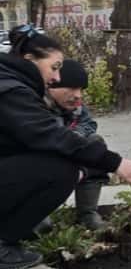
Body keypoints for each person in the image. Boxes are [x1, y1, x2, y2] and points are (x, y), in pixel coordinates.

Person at [0, 25, 131, 269]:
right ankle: (3, 242)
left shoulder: (10, 83)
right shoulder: (11, 91)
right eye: (54, 68)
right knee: (61, 171)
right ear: (29, 59)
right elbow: (52, 136)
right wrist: (116, 163)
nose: (56, 78)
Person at [47, 59, 108, 230]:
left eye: (81, 89)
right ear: (51, 87)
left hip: (65, 153)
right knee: (40, 228)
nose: (78, 95)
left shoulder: (75, 106)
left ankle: (88, 214)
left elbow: (89, 124)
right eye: (72, 88)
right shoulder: (33, 107)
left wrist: (77, 136)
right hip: (37, 166)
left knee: (95, 143)